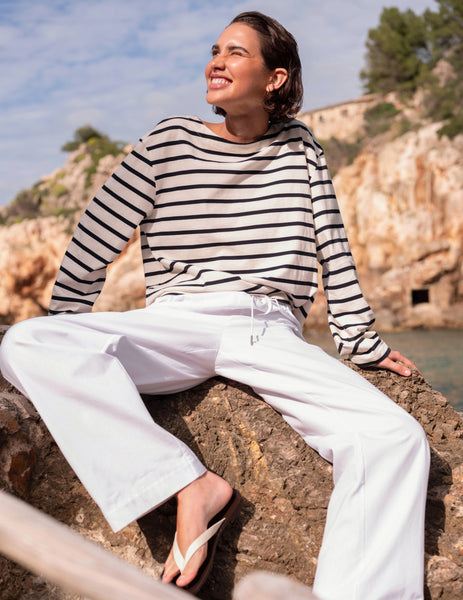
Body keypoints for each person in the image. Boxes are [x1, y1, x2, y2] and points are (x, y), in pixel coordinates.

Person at [0, 11, 430, 600]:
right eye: (214, 51)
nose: (215, 62)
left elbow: (332, 241)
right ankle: (188, 483)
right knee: (27, 342)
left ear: (274, 77)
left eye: (235, 53)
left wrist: (361, 343)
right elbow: (96, 235)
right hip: (176, 319)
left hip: (267, 327)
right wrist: (68, 322)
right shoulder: (169, 139)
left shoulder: (301, 149)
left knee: (395, 439)